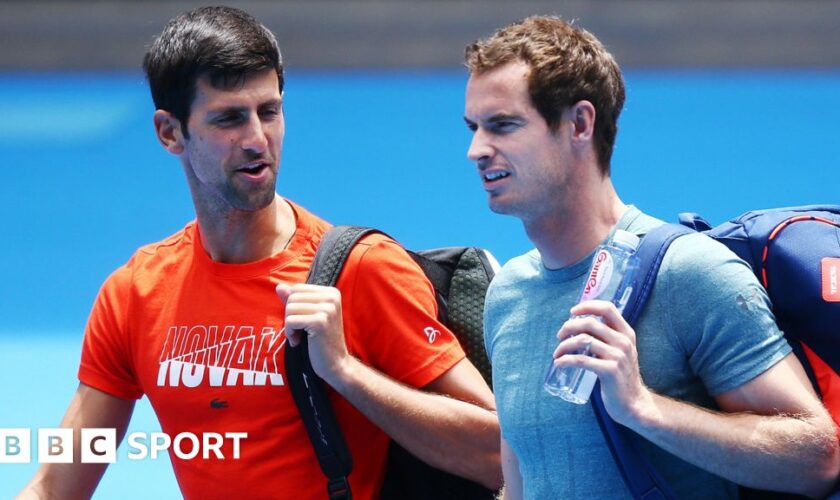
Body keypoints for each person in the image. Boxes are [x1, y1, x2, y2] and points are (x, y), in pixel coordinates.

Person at [19, 6, 501, 499]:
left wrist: (346, 372)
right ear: (169, 132)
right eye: (229, 119)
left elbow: (499, 456)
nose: (256, 140)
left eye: (269, 112)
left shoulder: (361, 270)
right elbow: (56, 487)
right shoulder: (135, 295)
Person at [463, 15, 839, 500]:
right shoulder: (506, 294)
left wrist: (642, 407)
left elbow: (818, 460)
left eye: (503, 126)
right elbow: (523, 482)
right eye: (473, 127)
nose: (476, 149)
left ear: (579, 123)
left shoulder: (691, 272)